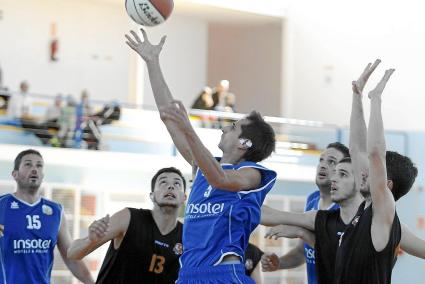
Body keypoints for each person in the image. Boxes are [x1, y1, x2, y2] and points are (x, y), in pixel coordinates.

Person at [125, 28, 276, 283]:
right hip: (188, 275)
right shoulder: (204, 165)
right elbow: (168, 116)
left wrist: (189, 129)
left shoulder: (251, 174)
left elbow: (221, 180)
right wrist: (152, 63)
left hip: (223, 275)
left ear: (244, 143)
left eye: (234, 126)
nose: (224, 127)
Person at [67, 167, 186, 284]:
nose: (171, 186)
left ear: (184, 198)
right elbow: (72, 253)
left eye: (177, 183)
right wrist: (90, 240)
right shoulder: (128, 218)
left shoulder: (187, 236)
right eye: (163, 182)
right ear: (152, 195)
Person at [0, 149, 94, 284]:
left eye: (39, 166)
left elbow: (71, 257)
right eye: (28, 164)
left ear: (42, 175)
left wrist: (92, 282)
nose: (34, 169)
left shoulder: (55, 211)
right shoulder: (2, 206)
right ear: (15, 174)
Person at [261, 142, 349, 284]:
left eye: (331, 162)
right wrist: (279, 263)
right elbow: (303, 252)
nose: (323, 165)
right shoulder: (312, 199)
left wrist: (300, 232)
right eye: (321, 160)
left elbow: (340, 258)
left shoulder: (346, 209)